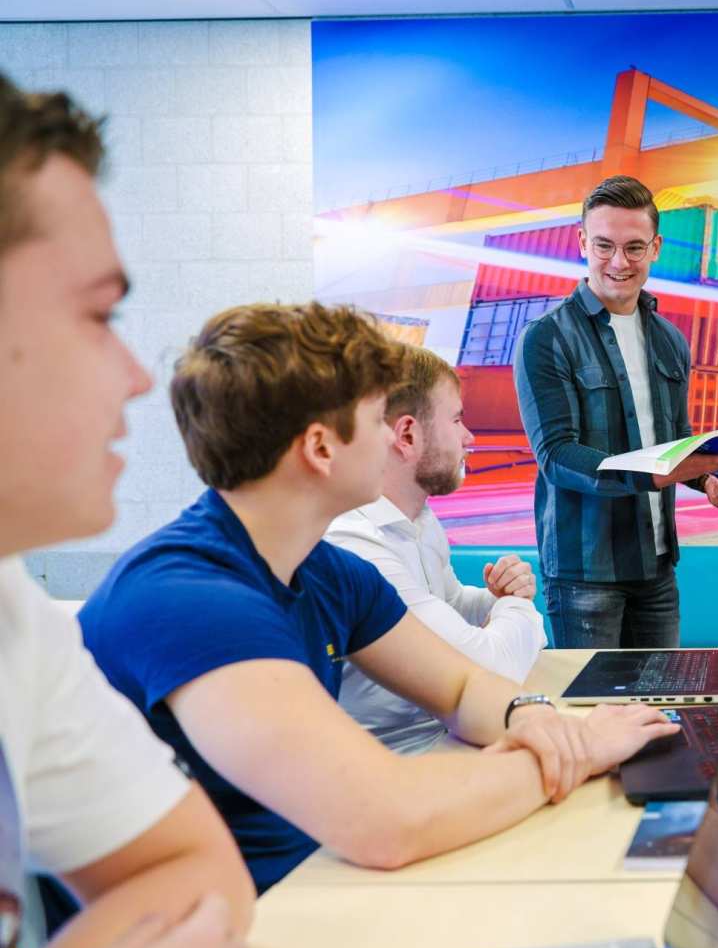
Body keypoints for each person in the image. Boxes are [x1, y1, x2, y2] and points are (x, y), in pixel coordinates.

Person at [78, 301, 678, 895]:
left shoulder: (326, 570)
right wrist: (582, 747)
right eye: (375, 420)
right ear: (320, 448)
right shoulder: (193, 601)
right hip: (251, 916)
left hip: (311, 882)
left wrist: (532, 717)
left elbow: (465, 687)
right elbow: (388, 823)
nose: (394, 438)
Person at [0, 75, 253, 948]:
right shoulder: (185, 587)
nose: (140, 376)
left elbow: (187, 870)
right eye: (99, 316)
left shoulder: (11, 609)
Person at [514, 175, 718, 650]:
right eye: (604, 246)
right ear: (581, 242)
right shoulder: (546, 338)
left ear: (655, 247)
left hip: (658, 568)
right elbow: (556, 456)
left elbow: (677, 437)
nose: (619, 262)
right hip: (585, 574)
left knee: (658, 714)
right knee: (595, 719)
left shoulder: (670, 340)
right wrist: (655, 476)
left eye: (634, 247)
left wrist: (709, 480)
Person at [326, 346, 546, 754]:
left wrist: (493, 599)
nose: (469, 437)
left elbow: (448, 605)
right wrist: (517, 607)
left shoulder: (420, 522)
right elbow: (491, 671)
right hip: (403, 758)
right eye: (457, 419)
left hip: (444, 737)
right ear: (407, 436)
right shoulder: (356, 546)